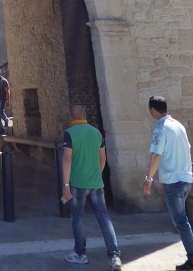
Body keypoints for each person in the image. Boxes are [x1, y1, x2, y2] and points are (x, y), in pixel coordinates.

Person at [143, 95, 193, 271]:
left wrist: (148, 178)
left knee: (180, 222)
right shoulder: (178, 125)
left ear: (153, 109)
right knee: (183, 221)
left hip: (173, 180)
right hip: (185, 177)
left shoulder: (160, 127)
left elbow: (156, 154)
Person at [61, 104, 122, 269]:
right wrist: (97, 174)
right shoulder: (96, 133)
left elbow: (67, 159)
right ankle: (114, 255)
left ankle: (80, 254)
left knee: (78, 218)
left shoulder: (69, 133)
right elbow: (102, 157)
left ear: (71, 118)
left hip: (77, 184)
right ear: (85, 115)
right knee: (104, 218)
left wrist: (65, 184)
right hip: (96, 183)